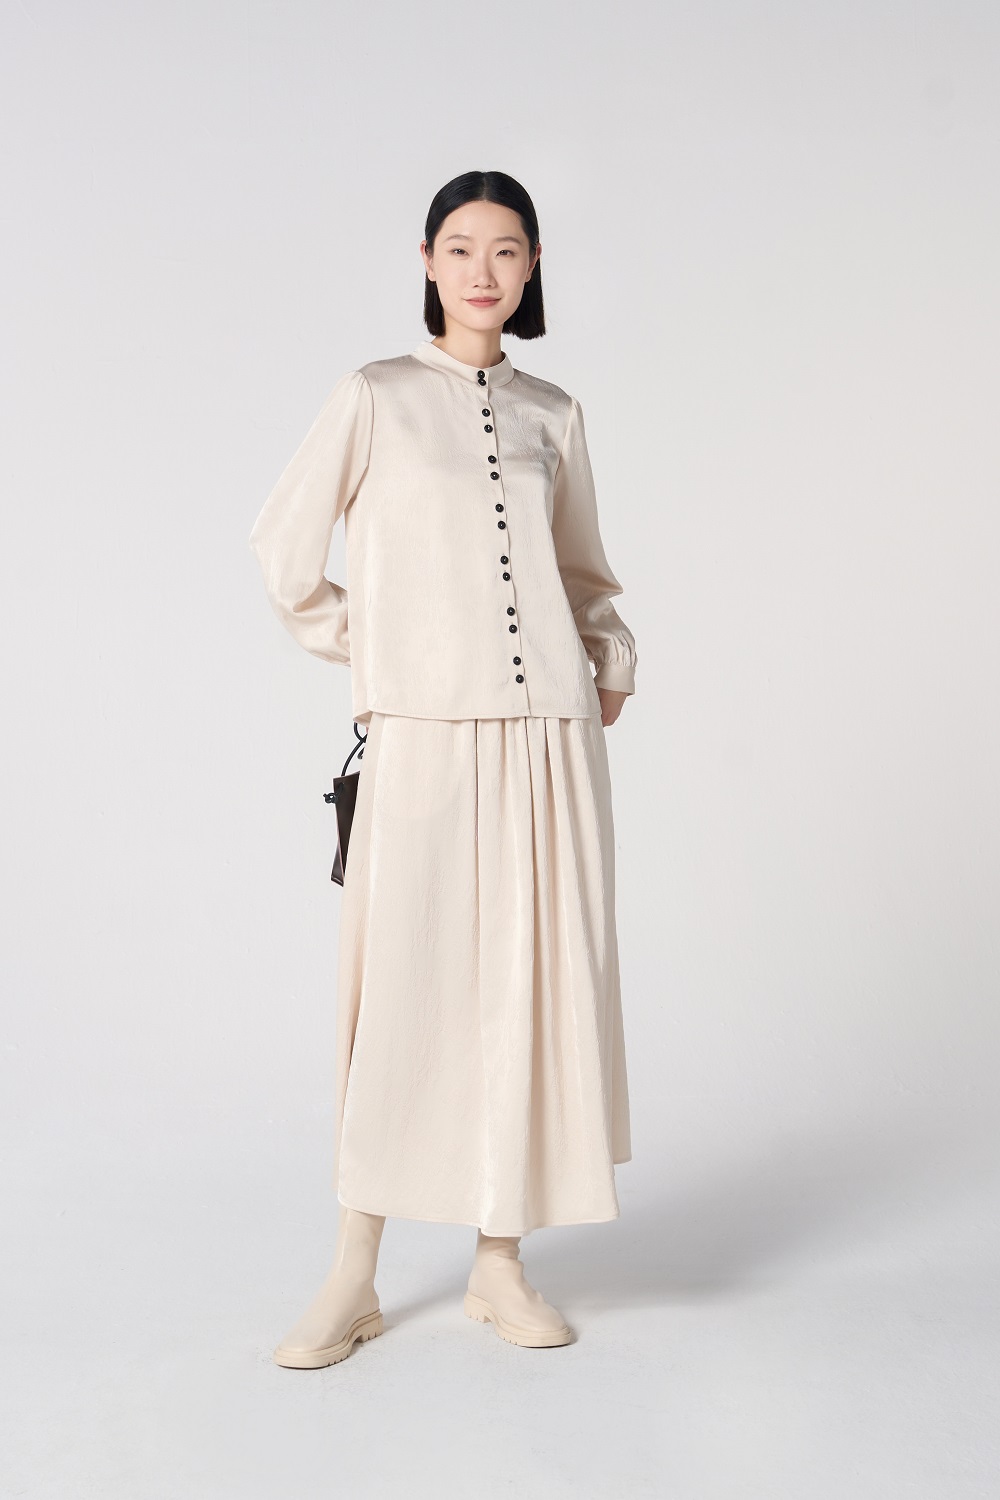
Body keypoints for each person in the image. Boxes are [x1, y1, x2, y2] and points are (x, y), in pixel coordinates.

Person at [249, 169, 638, 1367]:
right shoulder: (374, 397)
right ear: (426, 260)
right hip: (422, 733)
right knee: (401, 989)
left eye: (505, 249)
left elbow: (585, 575)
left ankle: (498, 1263)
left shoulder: (553, 414)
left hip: (546, 736)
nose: (482, 270)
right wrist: (385, 653)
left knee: (528, 985)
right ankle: (353, 1272)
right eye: (460, 247)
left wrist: (610, 659)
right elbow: (284, 553)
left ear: (532, 269)